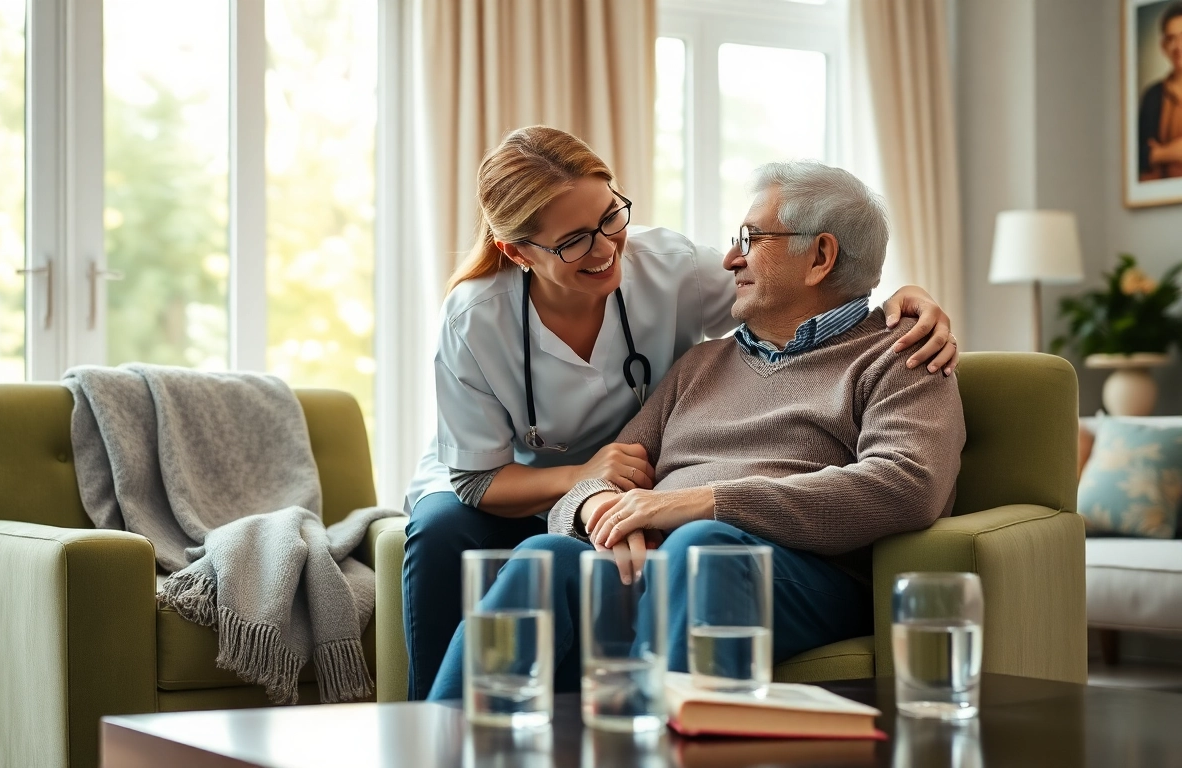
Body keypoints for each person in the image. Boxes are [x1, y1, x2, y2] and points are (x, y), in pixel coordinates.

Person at [402, 126, 961, 700]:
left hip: (782, 565)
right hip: (657, 554)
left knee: (702, 547)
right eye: (573, 240)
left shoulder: (901, 356)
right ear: (518, 252)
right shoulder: (700, 364)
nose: (728, 258)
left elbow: (908, 485)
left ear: (819, 256)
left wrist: (702, 504)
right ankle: (440, 747)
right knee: (544, 556)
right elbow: (598, 479)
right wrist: (595, 505)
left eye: (750, 238)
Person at [1139, 1, 1182, 181]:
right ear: (1163, 46)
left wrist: (1160, 153)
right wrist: (1170, 153)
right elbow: (1140, 154)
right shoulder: (1153, 95)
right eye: (1171, 39)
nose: (1178, 47)